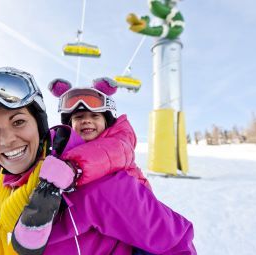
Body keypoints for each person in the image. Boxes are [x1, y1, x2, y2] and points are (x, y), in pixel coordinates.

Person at [0, 67, 196, 254]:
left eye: (19, 122)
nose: (7, 140)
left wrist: (71, 170)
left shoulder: (104, 186)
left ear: (40, 125)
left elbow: (175, 242)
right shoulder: (10, 178)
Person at [12, 77, 153, 254]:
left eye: (95, 116)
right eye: (79, 117)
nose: (87, 121)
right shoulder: (63, 145)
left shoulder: (119, 140)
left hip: (135, 219)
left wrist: (71, 168)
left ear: (107, 122)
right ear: (69, 124)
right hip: (95, 223)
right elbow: (27, 151)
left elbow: (107, 153)